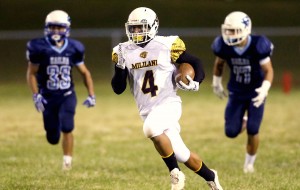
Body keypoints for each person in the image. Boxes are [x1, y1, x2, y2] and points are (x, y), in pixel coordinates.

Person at [111, 7, 223, 190]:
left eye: (141, 27)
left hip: (169, 103)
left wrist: (196, 82)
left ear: (153, 26)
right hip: (147, 110)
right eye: (134, 28)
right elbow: (118, 89)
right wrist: (120, 67)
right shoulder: (122, 51)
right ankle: (212, 178)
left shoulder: (167, 44)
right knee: (182, 154)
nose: (137, 32)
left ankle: (175, 174)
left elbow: (195, 62)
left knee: (150, 129)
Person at [26, 10, 96, 170]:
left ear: (67, 28)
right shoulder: (38, 47)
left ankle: (67, 163)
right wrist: (36, 94)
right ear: (47, 28)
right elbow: (31, 73)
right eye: (53, 27)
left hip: (67, 94)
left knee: (67, 126)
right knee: (52, 137)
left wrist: (91, 94)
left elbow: (85, 72)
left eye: (60, 27)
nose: (56, 31)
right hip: (47, 96)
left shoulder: (74, 47)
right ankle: (53, 128)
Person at [211, 11, 274, 173]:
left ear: (246, 29)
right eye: (228, 30)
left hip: (256, 92)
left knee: (253, 129)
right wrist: (216, 82)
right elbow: (219, 63)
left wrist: (265, 88)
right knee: (231, 132)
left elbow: (268, 70)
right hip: (237, 92)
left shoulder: (258, 45)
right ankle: (243, 120)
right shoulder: (223, 45)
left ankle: (249, 164)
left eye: (234, 31)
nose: (230, 35)